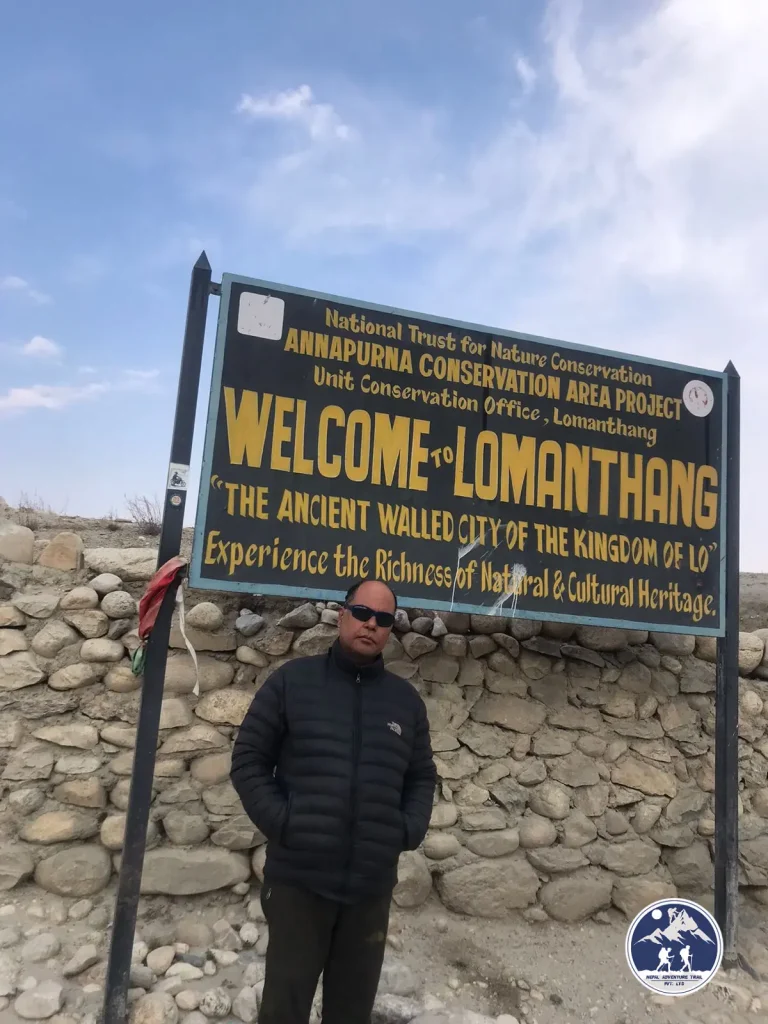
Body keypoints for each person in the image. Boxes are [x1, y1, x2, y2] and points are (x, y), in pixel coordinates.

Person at [230, 579, 437, 1024]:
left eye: (383, 619)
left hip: (370, 889)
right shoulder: (292, 682)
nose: (371, 625)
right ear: (342, 615)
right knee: (284, 1008)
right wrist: (284, 823)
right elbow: (248, 760)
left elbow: (421, 776)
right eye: (363, 613)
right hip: (299, 883)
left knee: (351, 1011)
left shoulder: (405, 702)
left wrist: (406, 830)